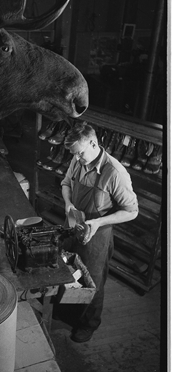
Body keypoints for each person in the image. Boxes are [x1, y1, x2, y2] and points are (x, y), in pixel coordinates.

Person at [61, 121, 139, 343]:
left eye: (80, 153)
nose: (76, 158)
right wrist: (68, 203)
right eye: (74, 154)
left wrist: (97, 223)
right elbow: (66, 183)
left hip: (99, 230)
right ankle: (68, 313)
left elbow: (132, 211)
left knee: (92, 279)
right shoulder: (77, 161)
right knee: (69, 270)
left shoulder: (115, 172)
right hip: (74, 220)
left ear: (93, 143)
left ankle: (89, 324)